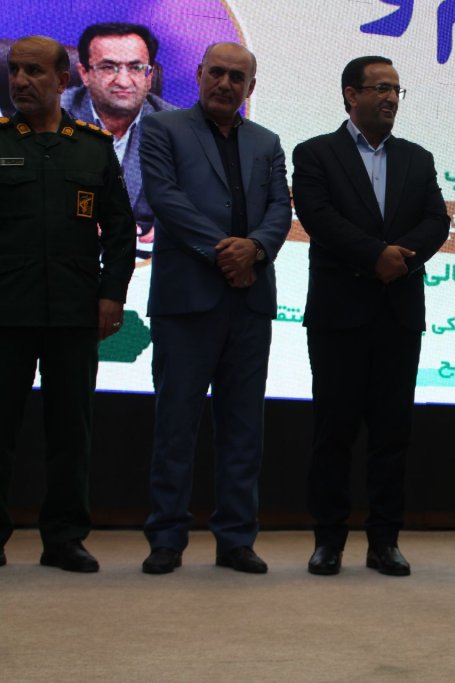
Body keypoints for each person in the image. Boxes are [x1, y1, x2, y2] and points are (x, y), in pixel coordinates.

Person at [292, 56, 448, 578]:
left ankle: (385, 541)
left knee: (392, 434)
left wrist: (400, 259)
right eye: (380, 88)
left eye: (396, 90)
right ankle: (328, 540)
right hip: (339, 314)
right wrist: (374, 255)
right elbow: (318, 217)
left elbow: (437, 221)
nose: (389, 98)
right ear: (350, 95)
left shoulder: (418, 158)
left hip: (398, 312)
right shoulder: (315, 153)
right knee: (333, 432)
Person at [138, 42, 291, 575]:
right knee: (176, 424)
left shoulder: (268, 142)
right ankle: (166, 538)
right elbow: (165, 198)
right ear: (200, 74)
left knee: (244, 427)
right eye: (217, 73)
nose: (226, 83)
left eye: (237, 77)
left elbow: (280, 208)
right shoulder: (163, 128)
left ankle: (236, 539)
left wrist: (257, 249)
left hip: (250, 299)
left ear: (251, 87)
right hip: (187, 299)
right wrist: (228, 252)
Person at [0, 36, 134, 572]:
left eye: (34, 71)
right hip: (7, 309)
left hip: (75, 310)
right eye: (15, 70)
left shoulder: (92, 147)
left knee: (70, 429)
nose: (20, 81)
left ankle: (64, 537)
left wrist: (112, 295)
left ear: (62, 80)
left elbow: (120, 231)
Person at [61, 23, 176, 259]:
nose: (123, 81)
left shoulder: (178, 129)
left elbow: (203, 205)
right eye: (108, 67)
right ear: (84, 74)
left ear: (149, 76)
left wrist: (172, 229)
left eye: (136, 68)